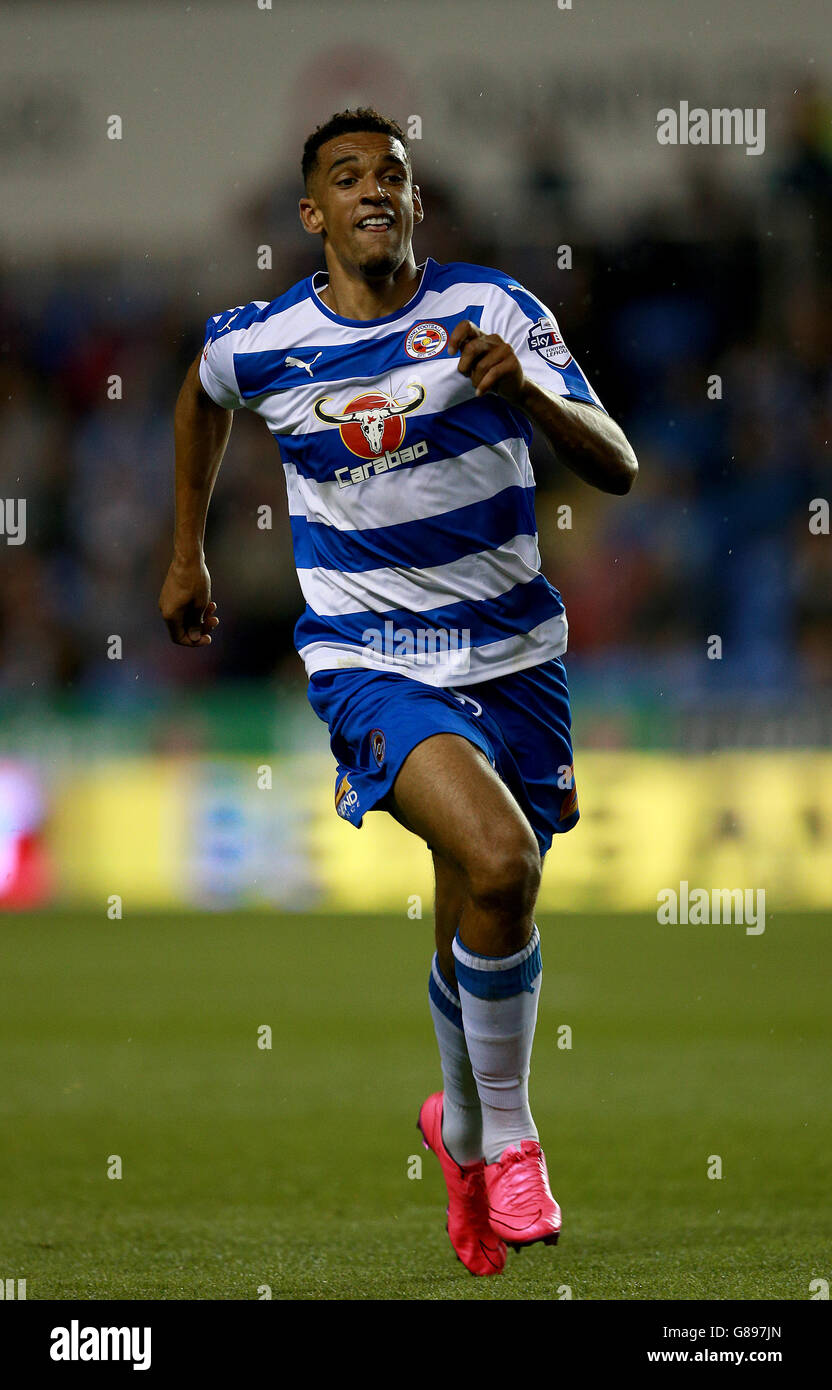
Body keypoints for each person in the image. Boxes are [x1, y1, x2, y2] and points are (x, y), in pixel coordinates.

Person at [159, 107, 638, 1277]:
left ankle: (459, 1129)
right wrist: (187, 551)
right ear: (313, 214)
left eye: (395, 174)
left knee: (483, 904)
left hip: (515, 656)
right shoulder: (262, 340)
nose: (376, 189)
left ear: (416, 203)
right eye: (347, 177)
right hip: (370, 660)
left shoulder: (493, 313)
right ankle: (513, 1138)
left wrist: (523, 392)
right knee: (500, 862)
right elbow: (198, 396)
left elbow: (616, 464)